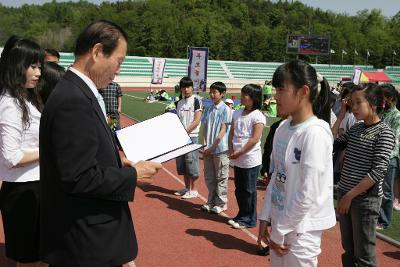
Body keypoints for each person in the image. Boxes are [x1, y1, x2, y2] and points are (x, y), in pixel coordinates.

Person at [39, 20, 162, 267]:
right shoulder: (73, 100)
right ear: (97, 52)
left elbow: (80, 157)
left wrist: (118, 161)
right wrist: (132, 175)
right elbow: (78, 177)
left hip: (86, 234)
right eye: (119, 61)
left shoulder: (77, 91)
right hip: (85, 241)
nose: (118, 70)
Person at [258, 60, 336, 267]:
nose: (275, 96)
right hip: (280, 222)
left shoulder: (315, 133)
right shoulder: (282, 128)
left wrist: (281, 229)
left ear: (303, 91)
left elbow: (308, 191)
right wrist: (266, 216)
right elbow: (277, 175)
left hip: (302, 230)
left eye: (281, 90)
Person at [334, 83, 395, 267]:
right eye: (351, 103)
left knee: (364, 255)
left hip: (364, 200)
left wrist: (350, 196)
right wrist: (341, 116)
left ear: (374, 103)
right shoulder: (356, 128)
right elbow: (332, 143)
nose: (354, 107)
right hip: (345, 195)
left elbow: (377, 172)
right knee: (349, 249)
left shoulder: (384, 133)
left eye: (358, 103)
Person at [0, 36, 46, 267]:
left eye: (39, 66)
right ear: (16, 65)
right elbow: (12, 157)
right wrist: (48, 150)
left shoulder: (25, 98)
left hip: (33, 188)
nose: (38, 72)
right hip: (23, 192)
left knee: (38, 257)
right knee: (29, 260)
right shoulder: (9, 103)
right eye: (32, 66)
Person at [228, 84, 266, 229]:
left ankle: (249, 219)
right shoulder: (237, 113)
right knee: (239, 189)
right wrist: (232, 149)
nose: (242, 97)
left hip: (250, 159)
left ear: (254, 98)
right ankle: (242, 214)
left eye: (245, 95)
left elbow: (254, 139)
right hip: (237, 158)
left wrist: (240, 151)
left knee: (249, 190)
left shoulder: (258, 116)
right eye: (242, 94)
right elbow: (232, 132)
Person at [201, 82, 233, 214]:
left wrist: (213, 147)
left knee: (221, 176)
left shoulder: (226, 110)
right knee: (210, 177)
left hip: (220, 149)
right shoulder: (208, 108)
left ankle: (221, 203)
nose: (212, 95)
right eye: (211, 92)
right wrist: (204, 145)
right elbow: (204, 127)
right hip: (208, 148)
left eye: (215, 92)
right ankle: (210, 201)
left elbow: (223, 130)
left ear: (222, 94)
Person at [174, 76, 202, 199]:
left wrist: (184, 132)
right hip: (180, 137)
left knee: (192, 163)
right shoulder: (179, 102)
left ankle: (194, 189)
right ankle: (186, 187)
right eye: (183, 87)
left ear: (192, 87)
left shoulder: (196, 100)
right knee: (183, 164)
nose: (186, 89)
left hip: (191, 137)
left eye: (188, 87)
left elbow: (196, 120)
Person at [377, 83, 400, 229]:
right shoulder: (382, 113)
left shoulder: (397, 116)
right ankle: (377, 216)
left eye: (383, 98)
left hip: (390, 158)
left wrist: (385, 155)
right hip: (378, 156)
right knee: (377, 190)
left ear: (390, 98)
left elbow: (397, 141)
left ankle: (384, 221)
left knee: (386, 191)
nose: (381, 101)